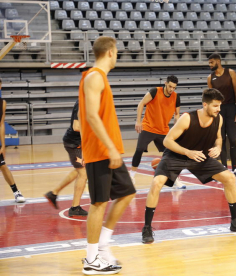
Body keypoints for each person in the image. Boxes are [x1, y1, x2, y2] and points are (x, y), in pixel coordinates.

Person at [141, 88, 236, 244]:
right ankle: (147, 227)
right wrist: (187, 152)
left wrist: (218, 147)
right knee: (156, 183)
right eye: (215, 106)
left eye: (219, 106)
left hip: (199, 156)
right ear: (205, 105)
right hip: (176, 155)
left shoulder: (218, 119)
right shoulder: (187, 118)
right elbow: (167, 141)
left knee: (229, 178)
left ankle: (235, 221)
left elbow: (218, 138)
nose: (218, 109)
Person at [78, 36, 136, 275]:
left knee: (127, 193)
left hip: (107, 150)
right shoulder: (93, 76)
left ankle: (102, 247)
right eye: (117, 51)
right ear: (111, 52)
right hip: (100, 150)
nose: (117, 55)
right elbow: (91, 116)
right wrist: (110, 148)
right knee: (98, 203)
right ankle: (91, 260)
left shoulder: (100, 78)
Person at [129, 75, 185, 189]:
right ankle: (132, 176)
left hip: (163, 130)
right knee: (139, 149)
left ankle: (175, 179)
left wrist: (176, 129)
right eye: (170, 86)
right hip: (148, 127)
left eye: (174, 88)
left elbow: (177, 115)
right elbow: (141, 104)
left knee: (172, 154)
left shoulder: (176, 97)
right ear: (165, 83)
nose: (171, 89)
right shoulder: (155, 91)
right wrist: (138, 121)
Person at [44, 100, 88, 217]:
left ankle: (53, 193)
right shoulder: (82, 103)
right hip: (74, 143)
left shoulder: (89, 101)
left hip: (77, 143)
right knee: (83, 173)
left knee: (79, 171)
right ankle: (75, 207)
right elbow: (76, 126)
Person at [207, 54, 236, 181]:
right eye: (209, 63)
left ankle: (235, 169)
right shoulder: (210, 78)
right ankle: (223, 168)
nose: (210, 65)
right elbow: (211, 99)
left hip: (231, 109)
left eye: (212, 62)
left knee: (232, 140)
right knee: (221, 140)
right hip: (218, 111)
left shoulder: (231, 73)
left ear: (218, 61)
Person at [0, 79, 25, 204]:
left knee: (3, 166)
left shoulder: (2, 103)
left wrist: (3, 145)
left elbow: (1, 124)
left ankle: (16, 192)